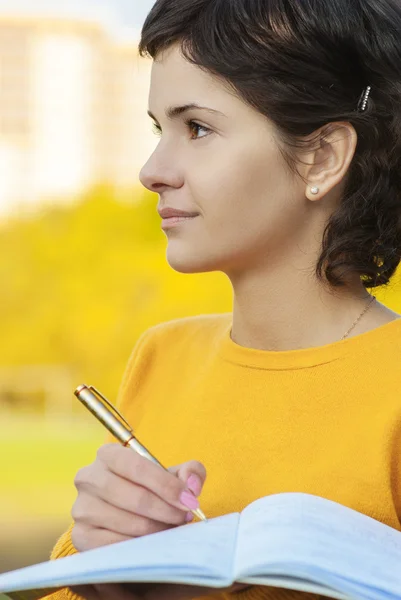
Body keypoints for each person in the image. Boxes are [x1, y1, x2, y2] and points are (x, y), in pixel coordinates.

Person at [46, 0, 401, 599]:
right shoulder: (163, 355)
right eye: (160, 129)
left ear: (323, 157)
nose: (152, 170)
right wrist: (96, 567)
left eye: (198, 128)